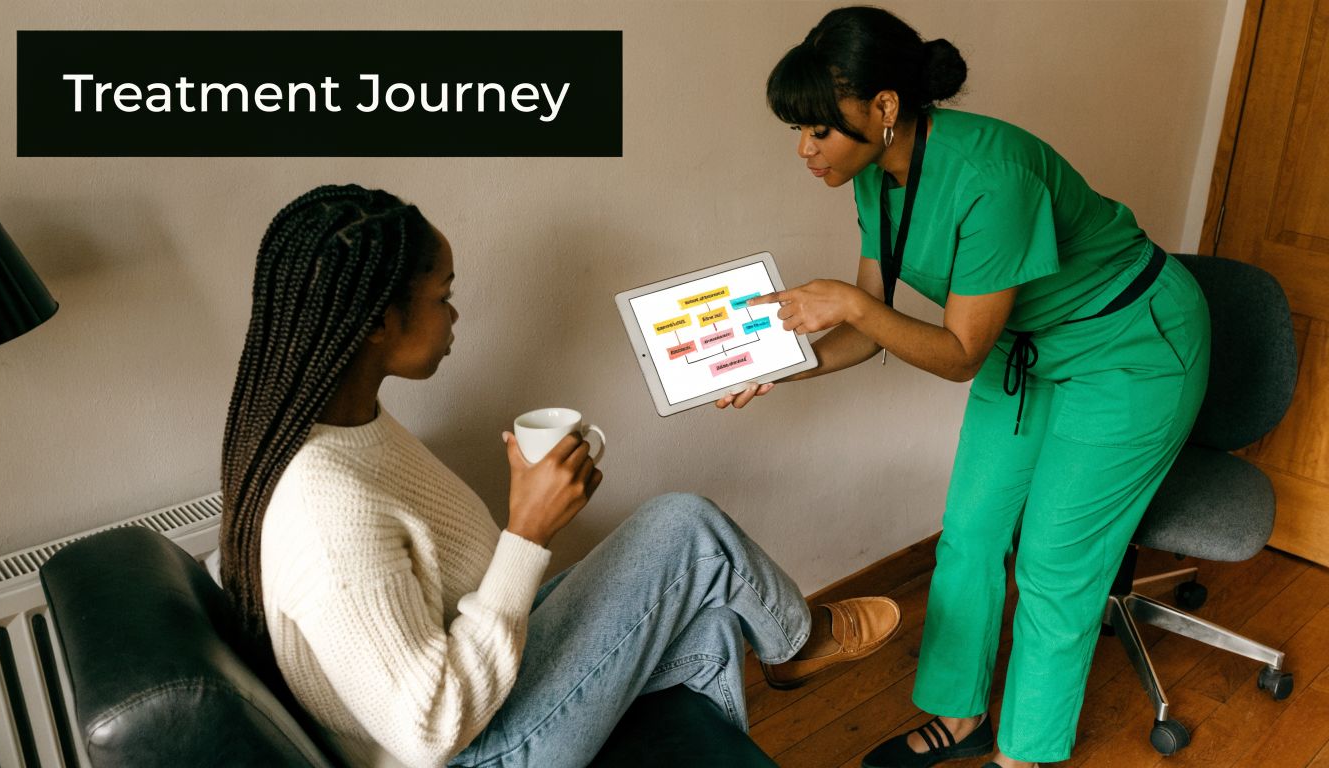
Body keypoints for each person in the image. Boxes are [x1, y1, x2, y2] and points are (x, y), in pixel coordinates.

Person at [216, 184, 903, 768]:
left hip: (482, 686)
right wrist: (528, 530)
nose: (455, 315)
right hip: (467, 751)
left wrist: (530, 525)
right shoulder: (326, 508)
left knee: (715, 621)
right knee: (685, 528)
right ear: (377, 322)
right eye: (442, 296)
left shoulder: (344, 421)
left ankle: (780, 652)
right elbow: (426, 733)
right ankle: (796, 642)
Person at [718, 7, 1211, 768]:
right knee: (972, 535)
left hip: (1131, 349)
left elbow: (955, 356)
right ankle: (960, 719)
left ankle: (1027, 752)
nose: (805, 148)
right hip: (1027, 348)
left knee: (1052, 564)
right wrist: (779, 364)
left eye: (820, 127)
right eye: (798, 128)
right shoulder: (874, 176)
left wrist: (852, 305)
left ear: (884, 108)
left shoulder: (991, 176)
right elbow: (870, 321)